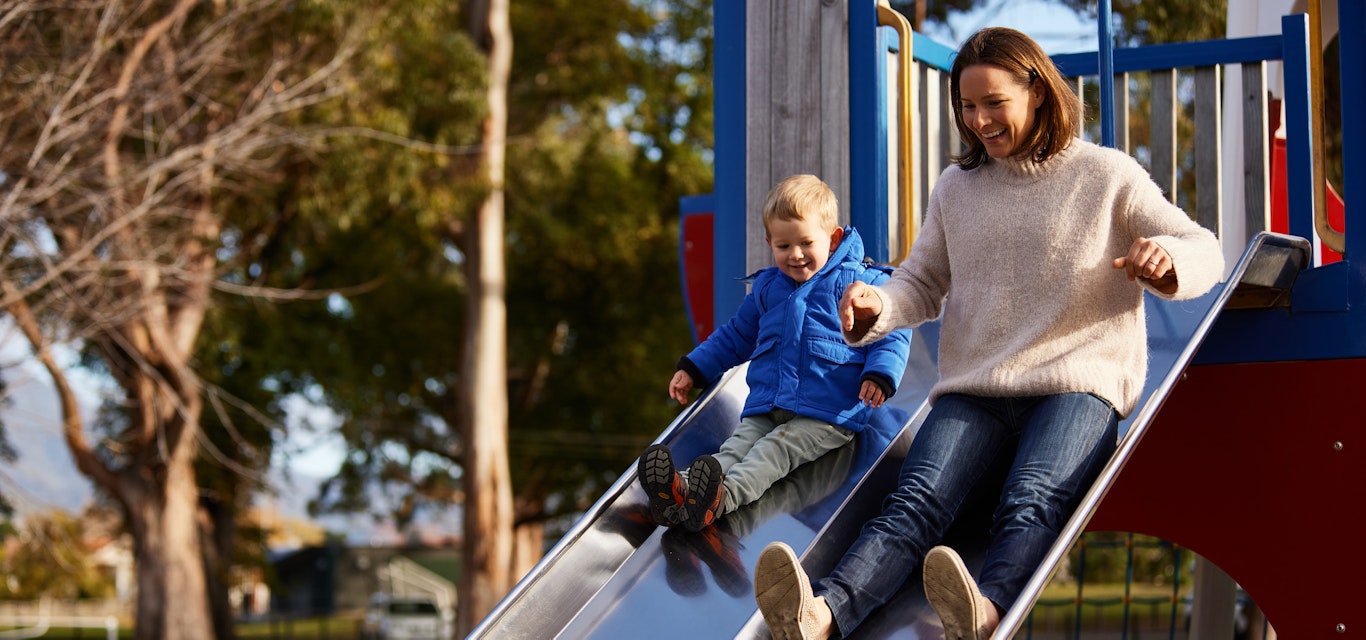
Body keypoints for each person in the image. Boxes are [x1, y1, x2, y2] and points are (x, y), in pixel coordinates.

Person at [753, 27, 1225, 640]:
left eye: (993, 103)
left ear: (1037, 90)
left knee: (1031, 498)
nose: (978, 120)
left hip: (1076, 385)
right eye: (967, 107)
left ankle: (987, 610)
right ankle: (820, 616)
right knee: (912, 502)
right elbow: (922, 282)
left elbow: (1204, 250)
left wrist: (1166, 259)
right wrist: (876, 307)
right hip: (977, 386)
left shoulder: (1107, 176)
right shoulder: (957, 189)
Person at [638, 174, 913, 533]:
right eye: (783, 247)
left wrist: (879, 374)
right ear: (769, 243)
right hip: (768, 406)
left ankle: (718, 500)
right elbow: (736, 335)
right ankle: (681, 491)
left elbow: (893, 328)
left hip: (826, 413)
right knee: (734, 449)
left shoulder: (860, 284)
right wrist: (694, 368)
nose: (795, 255)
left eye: (805, 243)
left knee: (770, 455)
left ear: (831, 239)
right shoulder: (769, 287)